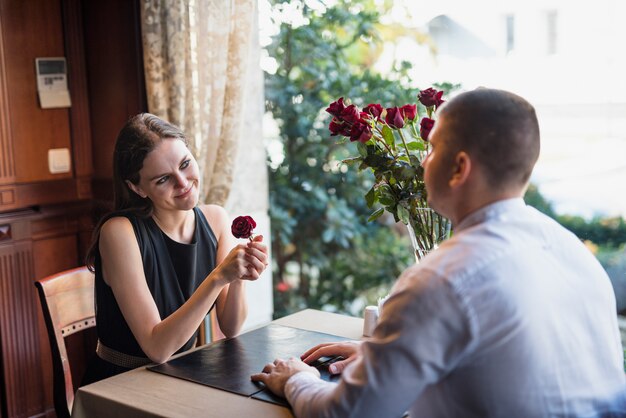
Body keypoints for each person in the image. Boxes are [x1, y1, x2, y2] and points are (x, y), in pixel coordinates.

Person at [251, 88, 626, 417]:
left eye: (431, 148)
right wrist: (389, 357)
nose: (424, 161)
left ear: (459, 167)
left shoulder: (442, 278)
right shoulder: (572, 251)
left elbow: (347, 414)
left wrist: (296, 380)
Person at [82, 113, 269, 385]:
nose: (183, 183)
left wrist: (238, 276)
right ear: (137, 187)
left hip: (182, 375)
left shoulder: (215, 219)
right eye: (163, 179)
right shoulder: (119, 232)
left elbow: (231, 327)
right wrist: (218, 276)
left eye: (185, 164)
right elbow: (157, 348)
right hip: (121, 385)